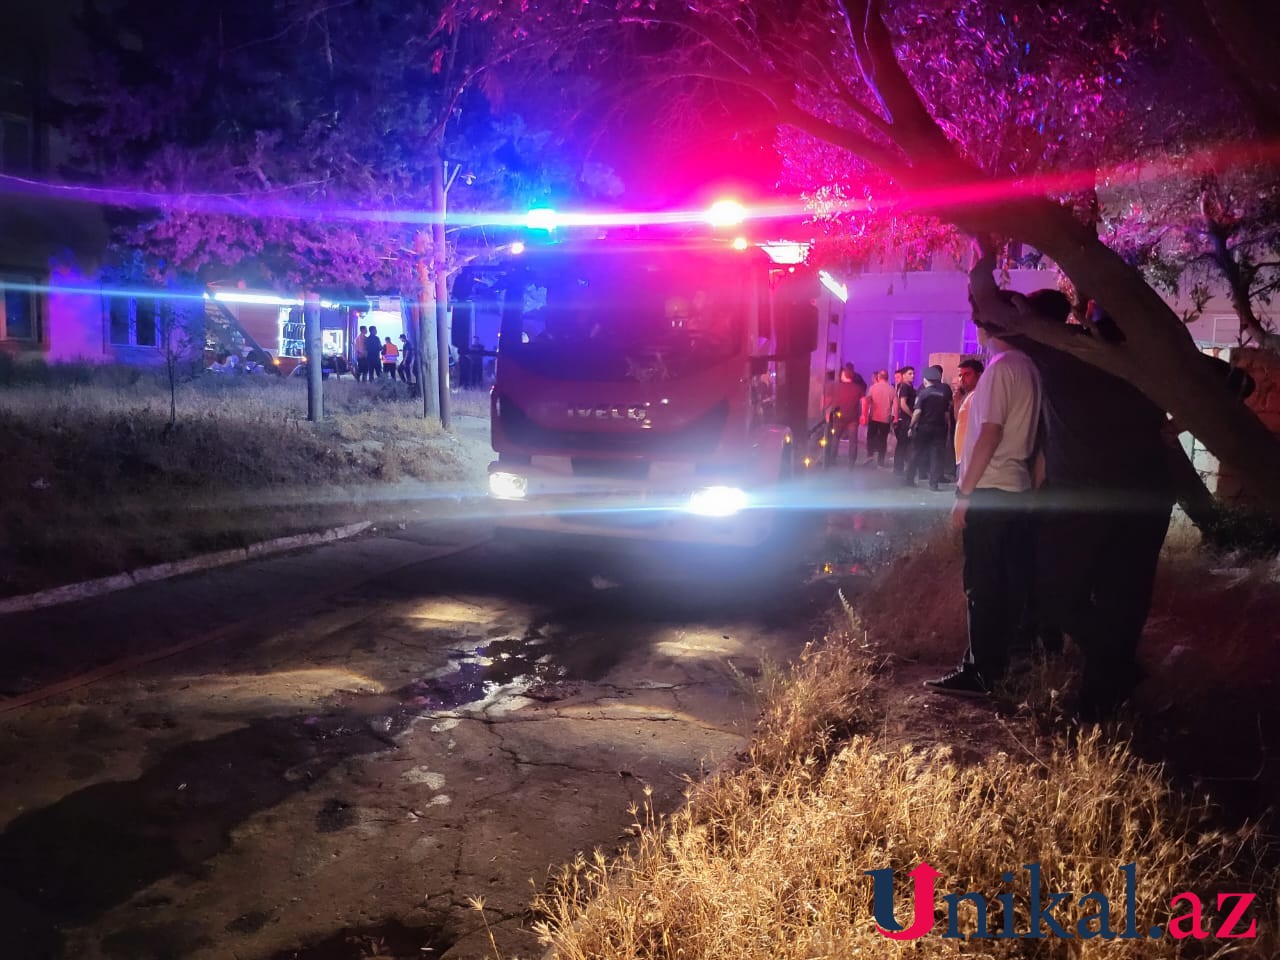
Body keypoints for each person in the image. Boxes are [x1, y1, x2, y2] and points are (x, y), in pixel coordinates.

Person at [984, 279, 1175, 718]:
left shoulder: (1067, 349)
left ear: (1090, 313)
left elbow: (989, 312)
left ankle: (1111, 675)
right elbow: (1237, 381)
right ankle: (1104, 693)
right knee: (1123, 596)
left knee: (1056, 594)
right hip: (1146, 494)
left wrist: (985, 256)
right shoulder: (1157, 358)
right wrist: (1177, 423)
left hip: (1083, 495)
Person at [925, 276, 1042, 698]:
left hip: (991, 491)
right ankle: (1000, 665)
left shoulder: (1000, 370)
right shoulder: (1029, 368)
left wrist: (965, 493)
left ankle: (981, 672)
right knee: (1007, 582)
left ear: (990, 324)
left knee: (982, 585)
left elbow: (989, 434)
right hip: (1016, 489)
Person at [905, 365, 954, 490]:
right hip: (939, 429)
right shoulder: (942, 395)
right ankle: (934, 483)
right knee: (936, 455)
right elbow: (946, 414)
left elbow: (917, 412)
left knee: (916, 453)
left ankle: (909, 479)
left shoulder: (923, 394)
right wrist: (947, 427)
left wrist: (911, 426)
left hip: (924, 428)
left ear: (925, 380)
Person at [827, 362, 866, 468]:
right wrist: (863, 414)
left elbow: (829, 400)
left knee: (835, 438)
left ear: (844, 375)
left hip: (838, 417)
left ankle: (832, 459)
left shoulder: (836, 386)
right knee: (853, 441)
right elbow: (864, 401)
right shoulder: (858, 388)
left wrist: (826, 411)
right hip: (853, 418)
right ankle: (851, 462)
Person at [952, 358, 984, 477]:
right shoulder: (969, 395)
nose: (962, 379)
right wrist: (957, 402)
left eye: (967, 374)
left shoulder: (979, 395)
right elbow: (960, 421)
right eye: (960, 375)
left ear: (979, 375)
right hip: (963, 456)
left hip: (970, 457)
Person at [864, 370, 895, 467]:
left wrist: (865, 413)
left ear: (878, 377)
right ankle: (880, 462)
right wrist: (895, 418)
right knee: (883, 439)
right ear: (887, 377)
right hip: (885, 418)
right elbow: (895, 405)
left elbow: (867, 400)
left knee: (871, 436)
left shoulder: (873, 388)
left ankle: (870, 455)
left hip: (874, 416)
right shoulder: (891, 389)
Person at [891, 366, 917, 476]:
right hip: (905, 420)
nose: (913, 376)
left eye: (913, 373)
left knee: (903, 445)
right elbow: (903, 404)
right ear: (904, 375)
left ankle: (899, 468)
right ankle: (898, 468)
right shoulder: (905, 387)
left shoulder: (908, 387)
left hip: (905, 420)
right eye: (910, 374)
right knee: (902, 444)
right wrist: (912, 415)